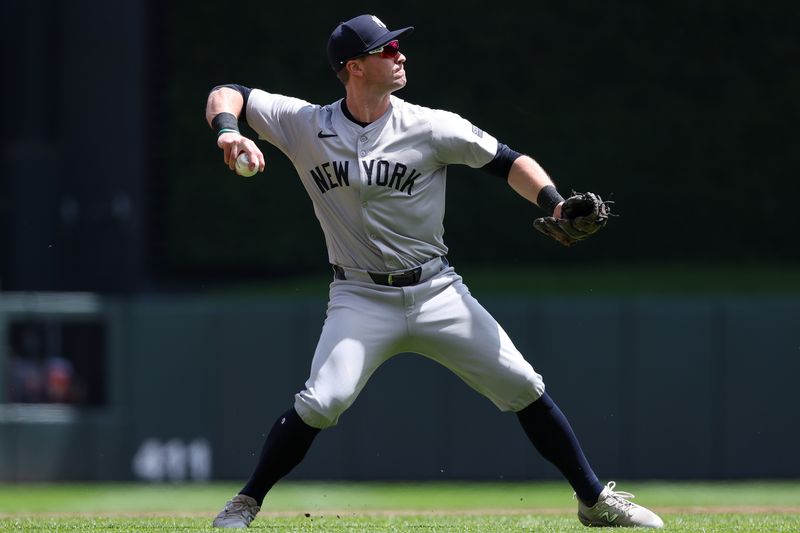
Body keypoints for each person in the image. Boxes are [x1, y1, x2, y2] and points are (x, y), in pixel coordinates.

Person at [205, 14, 663, 529]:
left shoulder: (430, 125)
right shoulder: (304, 123)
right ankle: (246, 501)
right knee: (323, 399)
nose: (399, 54)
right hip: (359, 295)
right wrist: (228, 133)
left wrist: (554, 203)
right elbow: (229, 91)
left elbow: (507, 160)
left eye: (397, 46)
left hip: (436, 291)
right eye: (386, 49)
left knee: (521, 384)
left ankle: (594, 499)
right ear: (354, 68)